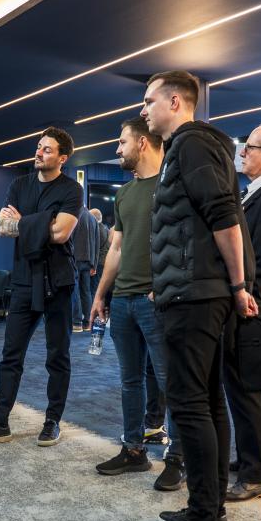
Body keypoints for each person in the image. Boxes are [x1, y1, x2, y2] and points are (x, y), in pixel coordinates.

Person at [139, 70, 258, 521]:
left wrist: (237, 286)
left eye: (149, 101)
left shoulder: (191, 143)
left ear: (174, 101)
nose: (143, 110)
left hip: (196, 296)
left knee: (190, 405)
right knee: (207, 403)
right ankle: (208, 511)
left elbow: (224, 215)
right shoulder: (190, 147)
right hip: (193, 292)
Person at [0, 128, 81, 447]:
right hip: (23, 279)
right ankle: (0, 421)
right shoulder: (19, 184)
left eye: (47, 150)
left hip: (58, 280)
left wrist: (25, 222)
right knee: (11, 354)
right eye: (38, 147)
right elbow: (3, 228)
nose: (39, 152)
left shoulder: (72, 190)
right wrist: (44, 220)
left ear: (62, 157)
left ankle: (52, 421)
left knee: (57, 355)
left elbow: (62, 234)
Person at [90, 117, 184, 490]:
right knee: (130, 380)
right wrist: (100, 295)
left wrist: (166, 284)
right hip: (124, 300)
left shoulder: (172, 186)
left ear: (142, 143)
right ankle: (133, 450)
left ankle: (177, 457)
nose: (118, 149)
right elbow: (115, 247)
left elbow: (184, 242)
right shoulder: (125, 193)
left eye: (122, 142)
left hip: (156, 300)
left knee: (169, 382)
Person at [224, 122, 261, 502]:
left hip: (255, 307)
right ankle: (247, 459)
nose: (242, 153)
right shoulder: (252, 194)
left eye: (249, 148)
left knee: (249, 391)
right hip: (243, 305)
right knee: (238, 389)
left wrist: (245, 294)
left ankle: (257, 473)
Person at [70, 205, 99, 332]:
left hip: (75, 259)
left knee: (75, 291)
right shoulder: (93, 219)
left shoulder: (73, 215)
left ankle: (76, 322)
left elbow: (69, 238)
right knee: (86, 292)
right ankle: (87, 323)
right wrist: (94, 264)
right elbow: (97, 244)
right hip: (88, 261)